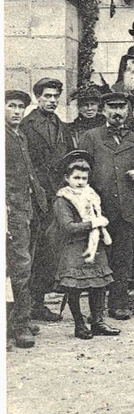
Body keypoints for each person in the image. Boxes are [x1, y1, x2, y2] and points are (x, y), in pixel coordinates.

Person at [81, 90, 134, 320]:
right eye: (112, 107)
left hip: (127, 209)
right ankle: (97, 308)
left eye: (122, 108)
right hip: (100, 210)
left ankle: (118, 304)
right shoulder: (91, 137)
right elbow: (79, 170)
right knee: (100, 259)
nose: (117, 112)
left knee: (123, 259)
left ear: (128, 111)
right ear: (104, 111)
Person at [48, 150, 118, 340]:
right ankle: (79, 325)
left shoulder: (91, 195)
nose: (80, 182)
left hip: (94, 245)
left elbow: (97, 215)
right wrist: (92, 224)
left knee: (99, 284)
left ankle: (97, 321)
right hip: (74, 246)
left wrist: (98, 224)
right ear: (67, 178)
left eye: (84, 178)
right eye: (76, 177)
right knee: (75, 287)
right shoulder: (63, 200)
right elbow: (68, 227)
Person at [21, 77, 71, 323]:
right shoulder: (26, 125)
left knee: (48, 250)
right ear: (38, 97)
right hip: (36, 194)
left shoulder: (61, 125)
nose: (52, 100)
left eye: (55, 96)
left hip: (56, 194)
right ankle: (26, 306)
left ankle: (38, 302)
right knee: (34, 248)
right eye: (47, 96)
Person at [5, 89, 46, 349]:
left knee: (25, 263)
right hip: (11, 211)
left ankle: (21, 316)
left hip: (28, 207)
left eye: (21, 106)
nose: (17, 111)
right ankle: (17, 326)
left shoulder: (18, 135)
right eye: (11, 106)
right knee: (18, 266)